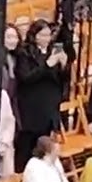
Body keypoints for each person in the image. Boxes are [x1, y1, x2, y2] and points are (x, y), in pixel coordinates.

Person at [13, 19, 69, 173]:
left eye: (48, 35)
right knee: (28, 144)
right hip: (32, 105)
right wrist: (47, 65)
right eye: (42, 35)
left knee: (45, 142)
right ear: (34, 35)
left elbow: (62, 79)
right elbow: (26, 77)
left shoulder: (52, 50)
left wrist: (64, 65)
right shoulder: (25, 53)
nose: (46, 39)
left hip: (49, 104)